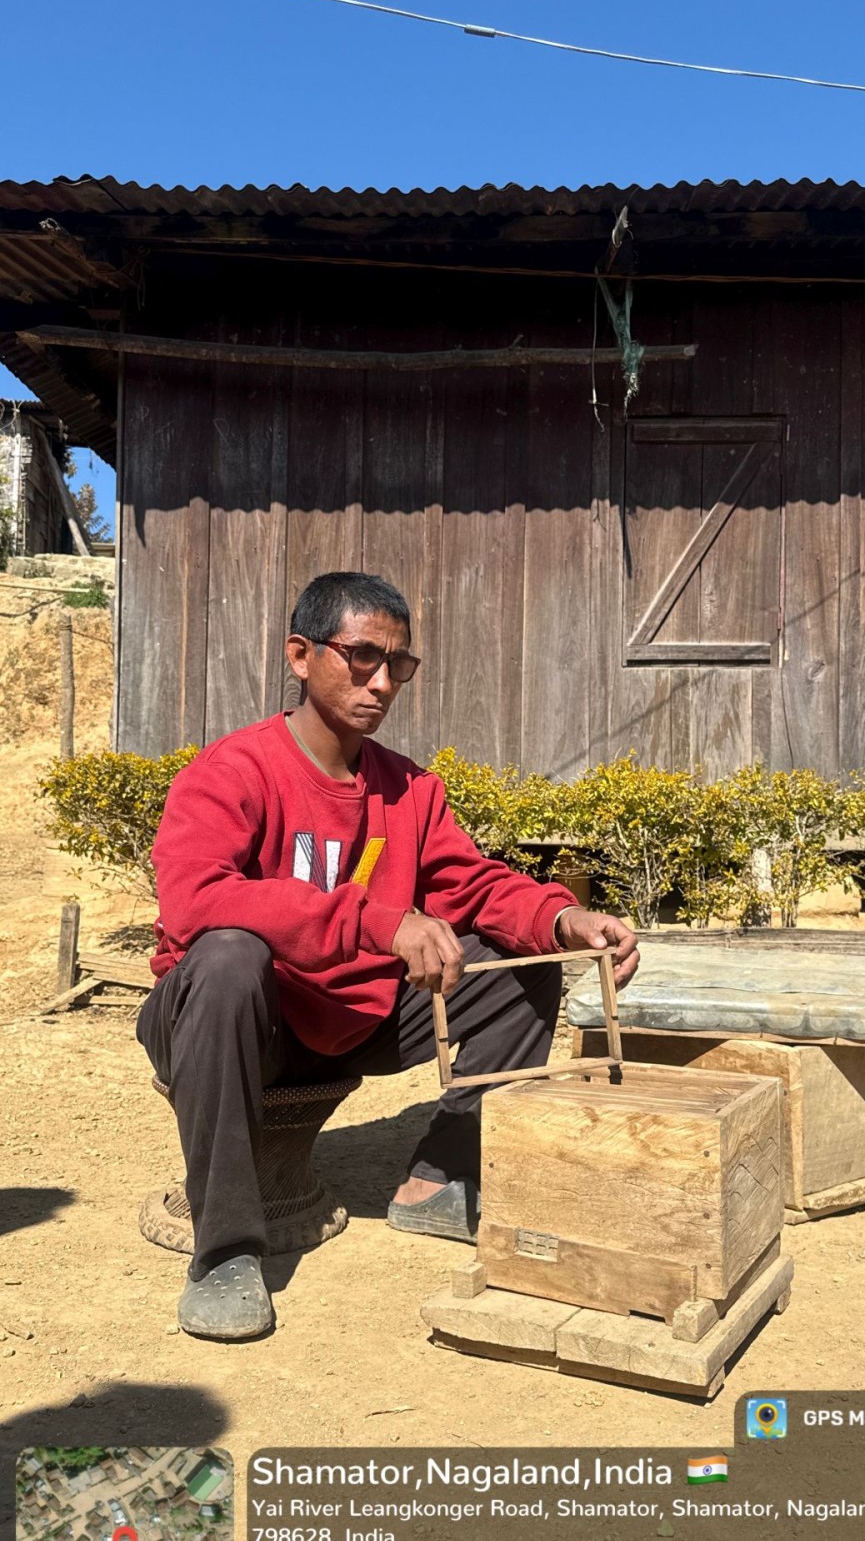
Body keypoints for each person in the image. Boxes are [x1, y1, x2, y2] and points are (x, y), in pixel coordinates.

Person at [137, 572, 639, 1341]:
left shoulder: (408, 789)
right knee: (230, 955)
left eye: (397, 665)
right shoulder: (233, 771)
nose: (381, 681)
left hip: (350, 1015)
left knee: (523, 962)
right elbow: (195, 901)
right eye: (361, 657)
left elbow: (473, 886)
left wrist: (565, 919)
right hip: (235, 1019)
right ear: (300, 656)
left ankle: (441, 1176)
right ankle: (226, 1250)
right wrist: (377, 920)